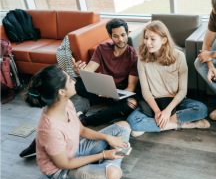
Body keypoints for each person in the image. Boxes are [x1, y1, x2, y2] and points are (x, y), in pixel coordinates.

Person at [19, 18, 140, 158]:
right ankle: (38, 140)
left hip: (118, 94)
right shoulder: (102, 49)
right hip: (99, 88)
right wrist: (79, 72)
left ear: (128, 33)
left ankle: (85, 120)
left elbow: (130, 87)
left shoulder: (133, 56)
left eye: (123, 35)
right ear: (110, 36)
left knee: (131, 105)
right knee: (74, 82)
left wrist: (112, 94)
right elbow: (89, 71)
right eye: (116, 36)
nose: (120, 39)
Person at [23, 65, 131, 179]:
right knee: (114, 173)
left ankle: (102, 171)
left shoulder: (66, 103)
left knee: (123, 126)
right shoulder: (49, 130)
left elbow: (82, 130)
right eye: (70, 80)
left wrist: (108, 137)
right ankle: (106, 170)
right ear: (61, 91)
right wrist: (103, 155)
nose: (74, 80)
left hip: (76, 149)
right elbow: (64, 164)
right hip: (61, 172)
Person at [127, 21, 210, 136]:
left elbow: (182, 91)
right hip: (154, 102)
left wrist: (167, 112)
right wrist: (157, 112)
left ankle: (152, 125)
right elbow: (145, 91)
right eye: (146, 38)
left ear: (164, 40)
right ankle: (182, 124)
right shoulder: (142, 59)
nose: (148, 42)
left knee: (202, 109)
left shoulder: (179, 56)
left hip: (175, 101)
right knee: (132, 122)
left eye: (152, 39)